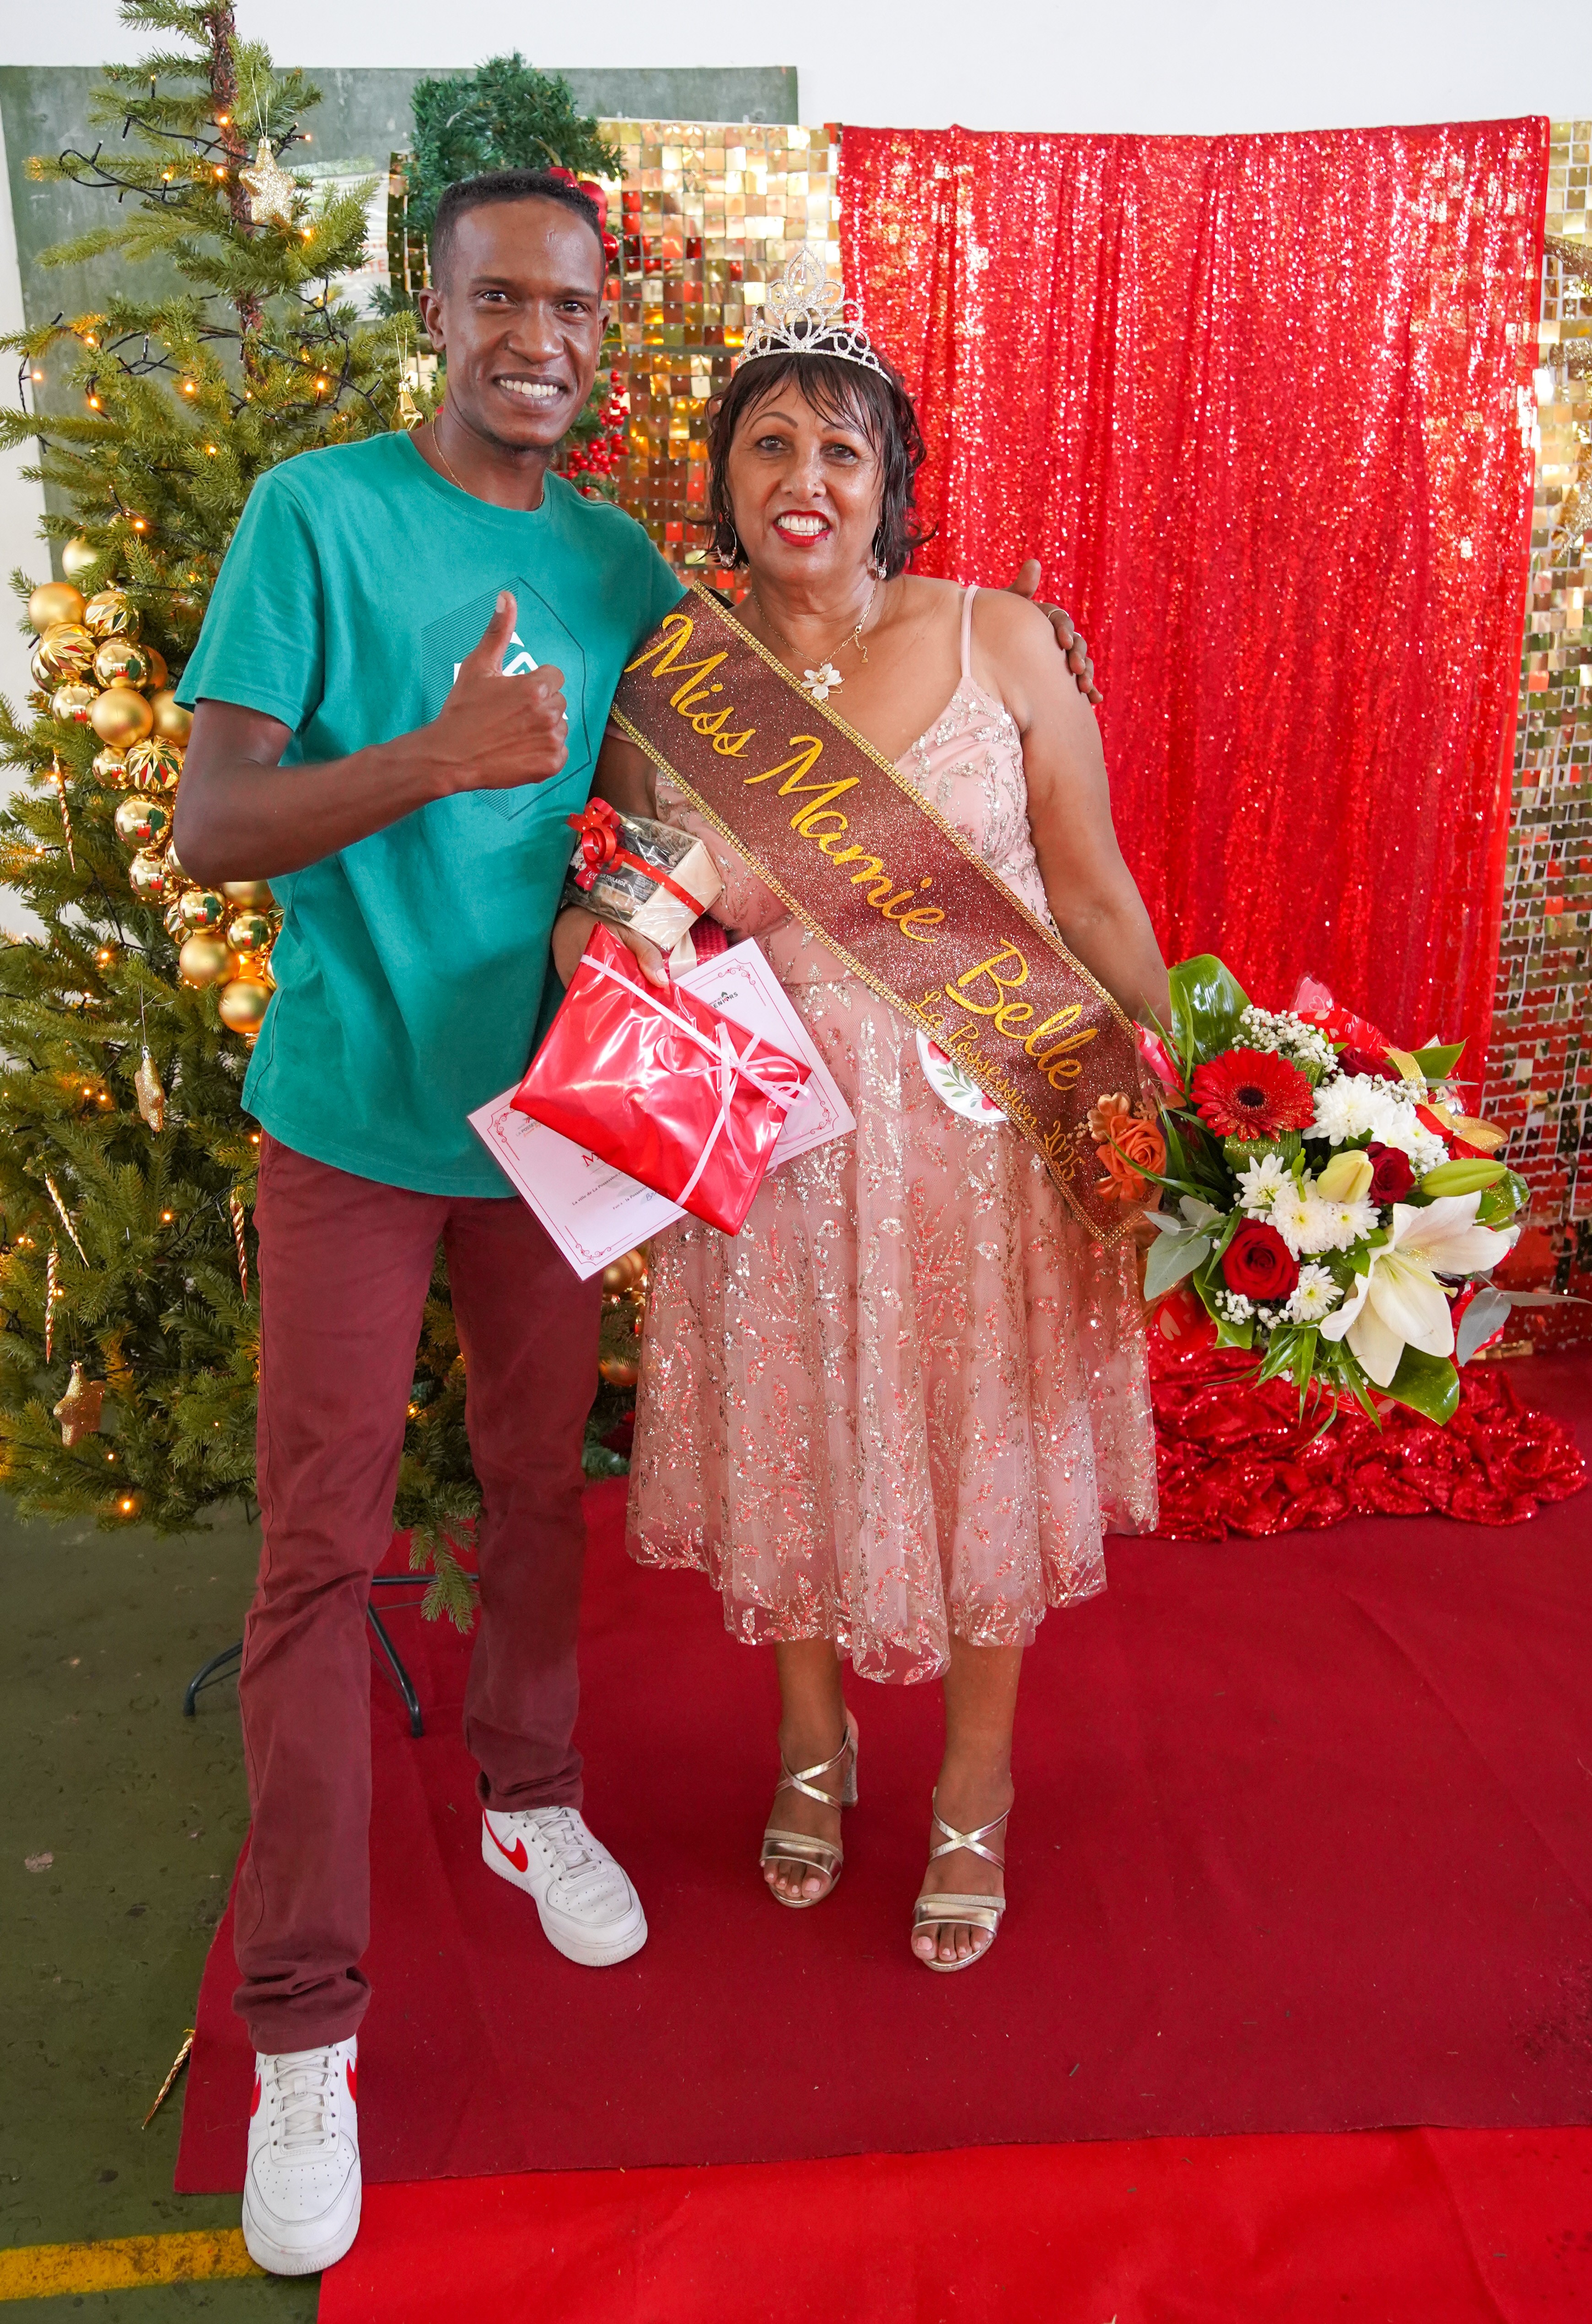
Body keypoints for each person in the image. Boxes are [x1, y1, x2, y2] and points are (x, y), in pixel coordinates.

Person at [174, 176, 1098, 2272]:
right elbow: (213, 821)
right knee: (319, 1553)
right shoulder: (316, 515)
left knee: (534, 1498)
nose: (537, 334)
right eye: (498, 296)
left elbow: (708, 840)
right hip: (353, 1116)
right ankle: (306, 2025)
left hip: (559, 1134)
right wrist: (439, 756)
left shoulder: (623, 577)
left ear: (605, 335)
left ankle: (529, 1800)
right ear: (437, 307)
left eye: (571, 306)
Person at [558, 254, 1167, 1979]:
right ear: (725, 480)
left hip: (989, 1138)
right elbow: (624, 904)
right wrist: (598, 939)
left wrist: (1187, 1079)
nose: (803, 480)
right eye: (769, 446)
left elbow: (1091, 890)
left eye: (840, 448)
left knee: (980, 1446)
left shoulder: (1003, 638)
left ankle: (975, 1781)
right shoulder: (670, 683)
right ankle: (811, 1746)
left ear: (891, 480)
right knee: (799, 1440)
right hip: (781, 1143)